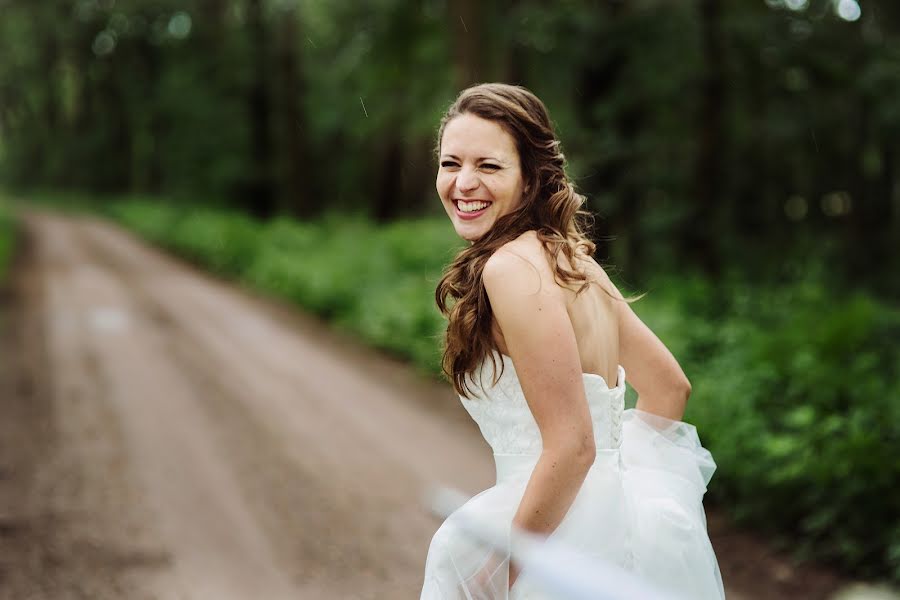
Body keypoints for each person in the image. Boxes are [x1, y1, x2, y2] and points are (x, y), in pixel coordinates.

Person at [420, 83, 725, 600]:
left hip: (554, 544)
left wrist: (507, 568)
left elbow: (573, 444)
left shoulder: (512, 269)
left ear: (531, 177)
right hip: (622, 533)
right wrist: (624, 499)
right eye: (451, 163)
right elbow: (670, 388)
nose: (463, 183)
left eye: (489, 166)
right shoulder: (574, 263)